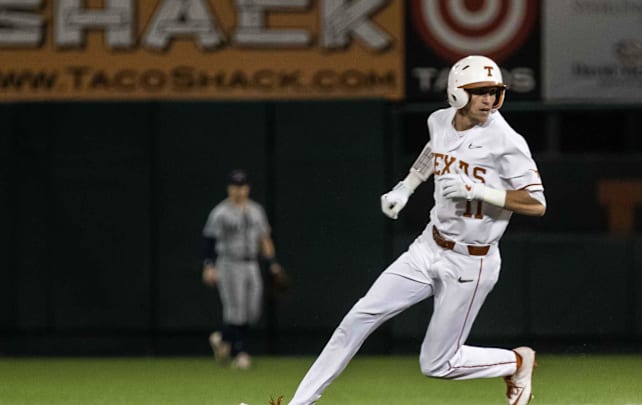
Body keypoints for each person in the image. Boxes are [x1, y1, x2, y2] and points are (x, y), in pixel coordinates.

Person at [286, 55, 546, 405]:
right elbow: (432, 152)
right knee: (359, 316)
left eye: (494, 92)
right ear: (457, 92)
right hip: (428, 246)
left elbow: (536, 202)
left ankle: (516, 361)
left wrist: (480, 191)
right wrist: (406, 186)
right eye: (479, 91)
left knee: (437, 364)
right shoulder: (439, 120)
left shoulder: (505, 140)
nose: (488, 99)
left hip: (472, 260)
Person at [201, 169, 282, 369]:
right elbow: (209, 241)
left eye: (242, 186)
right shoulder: (220, 212)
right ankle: (239, 352)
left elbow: (264, 239)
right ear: (229, 188)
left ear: (247, 188)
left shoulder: (256, 210)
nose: (239, 190)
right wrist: (209, 266)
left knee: (253, 311)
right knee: (236, 310)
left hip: (251, 263)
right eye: (235, 186)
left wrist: (272, 263)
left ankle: (223, 337)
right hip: (229, 262)